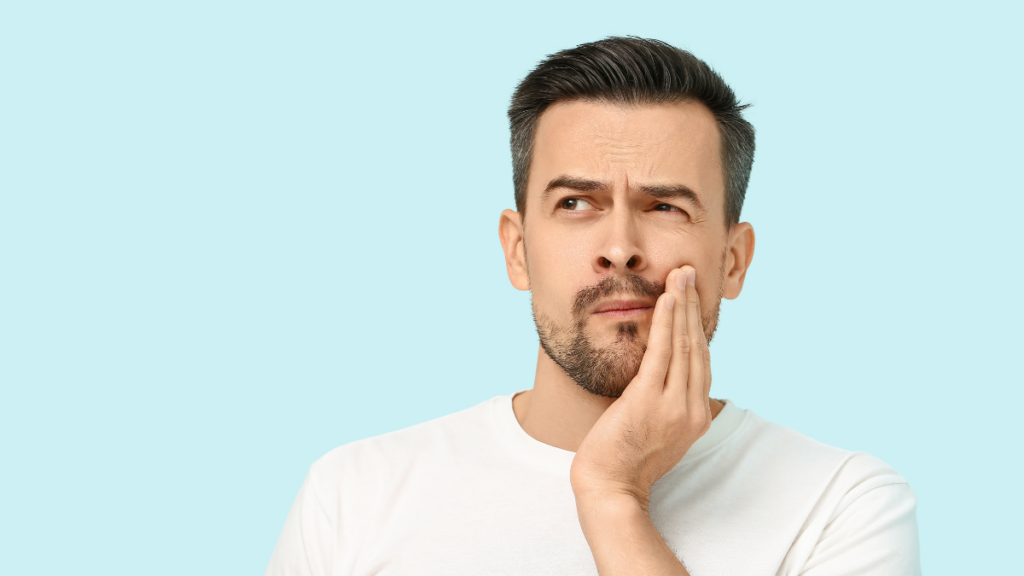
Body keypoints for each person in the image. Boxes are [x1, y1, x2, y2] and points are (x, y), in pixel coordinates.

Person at [265, 36, 920, 575]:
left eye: (665, 206)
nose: (620, 249)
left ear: (733, 261)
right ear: (518, 251)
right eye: (575, 203)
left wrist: (613, 497)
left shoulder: (840, 505)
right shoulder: (351, 497)